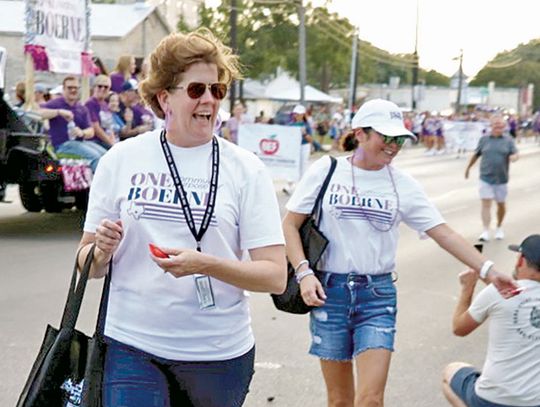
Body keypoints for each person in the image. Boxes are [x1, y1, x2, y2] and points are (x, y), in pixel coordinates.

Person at [75, 28, 286, 407]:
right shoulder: (121, 160)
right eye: (196, 90)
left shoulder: (246, 169)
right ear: (163, 97)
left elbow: (274, 275)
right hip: (132, 345)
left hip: (218, 355)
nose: (209, 100)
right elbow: (86, 264)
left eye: (217, 90)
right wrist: (100, 253)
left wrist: (205, 264)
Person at [282, 99, 518, 407]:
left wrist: (488, 270)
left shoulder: (402, 184)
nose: (394, 146)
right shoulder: (326, 170)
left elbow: (443, 232)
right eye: (386, 137)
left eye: (399, 139)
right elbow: (289, 225)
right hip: (330, 293)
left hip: (376, 297)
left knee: (371, 400)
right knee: (340, 400)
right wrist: (304, 273)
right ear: (360, 134)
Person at [442, 234, 540, 407]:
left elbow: (459, 328)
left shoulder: (495, 294)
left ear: (520, 260)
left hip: (492, 399)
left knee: (450, 371)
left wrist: (467, 288)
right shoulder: (499, 293)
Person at [465, 115, 519, 242]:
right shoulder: (484, 140)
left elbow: (515, 153)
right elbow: (476, 154)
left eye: (501, 126)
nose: (498, 128)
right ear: (491, 126)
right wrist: (468, 168)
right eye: (496, 125)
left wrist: (514, 158)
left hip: (501, 179)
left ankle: (499, 227)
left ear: (504, 127)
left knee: (501, 204)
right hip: (485, 177)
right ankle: (485, 230)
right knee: (486, 203)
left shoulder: (508, 140)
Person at [42, 76, 106, 172]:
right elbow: (38, 113)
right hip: (62, 145)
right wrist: (59, 112)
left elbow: (91, 131)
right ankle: (99, 185)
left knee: (106, 155)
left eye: (75, 88)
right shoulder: (55, 104)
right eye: (70, 88)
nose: (73, 90)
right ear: (63, 89)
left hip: (80, 142)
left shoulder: (81, 108)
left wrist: (82, 133)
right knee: (96, 158)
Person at [85, 74, 116, 149]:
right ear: (94, 87)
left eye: (106, 87)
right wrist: (111, 143)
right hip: (95, 141)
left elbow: (110, 126)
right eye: (100, 86)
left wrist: (113, 141)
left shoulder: (105, 104)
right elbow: (96, 128)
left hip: (107, 140)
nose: (102, 89)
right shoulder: (91, 103)